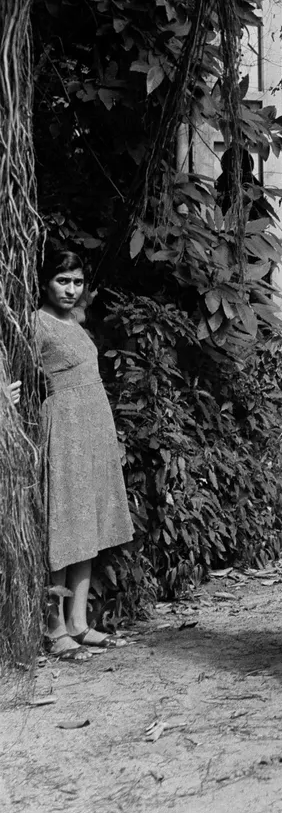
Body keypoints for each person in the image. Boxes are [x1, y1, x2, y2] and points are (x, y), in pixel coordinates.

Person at [36, 247, 134, 658]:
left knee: (87, 522)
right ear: (45, 282)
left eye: (77, 282)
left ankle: (79, 622)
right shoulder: (35, 323)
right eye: (62, 280)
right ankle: (53, 626)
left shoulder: (75, 321)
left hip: (93, 427)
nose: (71, 289)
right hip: (64, 428)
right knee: (64, 524)